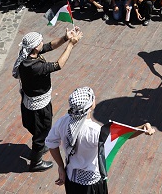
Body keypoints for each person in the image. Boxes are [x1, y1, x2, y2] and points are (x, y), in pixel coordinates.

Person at [46, 87, 154, 193]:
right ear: (90, 106)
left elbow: (51, 143)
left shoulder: (63, 122)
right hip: (91, 182)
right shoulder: (95, 131)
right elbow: (122, 135)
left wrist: (60, 166)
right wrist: (143, 128)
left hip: (71, 177)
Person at [12, 28, 83, 172]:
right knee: (42, 131)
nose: (42, 43)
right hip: (38, 107)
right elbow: (58, 65)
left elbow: (50, 46)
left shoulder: (28, 54)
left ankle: (40, 145)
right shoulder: (34, 66)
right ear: (34, 46)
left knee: (38, 129)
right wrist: (71, 45)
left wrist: (65, 37)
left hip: (30, 102)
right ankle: (36, 162)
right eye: (40, 42)